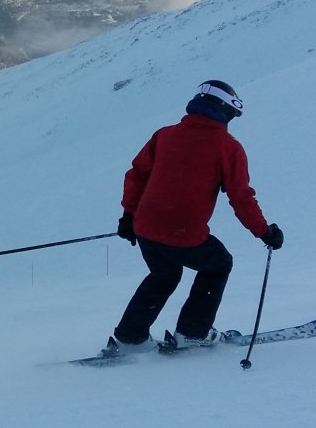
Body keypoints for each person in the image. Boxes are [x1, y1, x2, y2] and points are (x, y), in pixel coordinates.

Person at [108, 80, 283, 354]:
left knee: (164, 274)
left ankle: (130, 338)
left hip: (145, 227)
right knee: (218, 264)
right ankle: (192, 332)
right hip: (183, 232)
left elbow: (136, 175)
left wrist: (128, 217)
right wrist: (264, 232)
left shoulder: (165, 135)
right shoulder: (227, 147)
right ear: (224, 110)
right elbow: (240, 197)